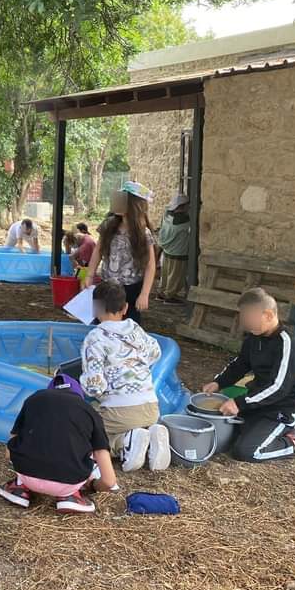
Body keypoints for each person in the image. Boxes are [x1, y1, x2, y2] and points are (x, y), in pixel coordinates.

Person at [201, 288, 295, 462]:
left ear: (267, 315)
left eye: (248, 317)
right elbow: (240, 364)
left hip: (279, 411)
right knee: (223, 438)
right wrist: (218, 383)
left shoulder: (288, 343)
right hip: (256, 406)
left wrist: (239, 402)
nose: (244, 322)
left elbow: (278, 387)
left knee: (246, 452)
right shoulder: (253, 338)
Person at [80, 281, 170, 472]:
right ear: (126, 308)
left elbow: (95, 386)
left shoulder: (95, 338)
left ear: (95, 309)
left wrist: (83, 384)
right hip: (151, 408)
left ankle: (124, 442)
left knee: (89, 433)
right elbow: (155, 353)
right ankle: (152, 434)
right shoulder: (136, 329)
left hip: (119, 412)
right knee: (133, 422)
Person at [0, 373, 119, 514]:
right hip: (70, 481)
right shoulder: (90, 412)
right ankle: (71, 496)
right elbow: (109, 481)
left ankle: (19, 488)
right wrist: (93, 485)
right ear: (79, 396)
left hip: (26, 473)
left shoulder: (34, 399)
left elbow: (9, 452)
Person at [86, 182, 156, 324]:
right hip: (106, 286)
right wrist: (89, 275)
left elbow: (150, 265)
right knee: (100, 323)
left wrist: (144, 294)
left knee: (129, 326)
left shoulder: (144, 233)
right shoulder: (108, 225)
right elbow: (98, 251)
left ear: (133, 205)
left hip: (131, 289)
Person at [157, 194, 191, 302]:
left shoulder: (167, 216)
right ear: (183, 206)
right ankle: (169, 297)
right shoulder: (184, 220)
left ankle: (161, 293)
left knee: (166, 275)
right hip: (178, 253)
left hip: (167, 252)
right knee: (175, 277)